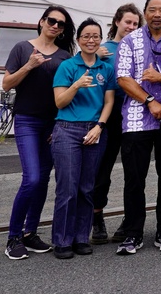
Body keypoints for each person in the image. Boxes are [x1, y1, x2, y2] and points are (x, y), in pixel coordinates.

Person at [115, 0, 161, 255]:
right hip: (136, 119)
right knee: (135, 178)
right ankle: (133, 233)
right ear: (145, 12)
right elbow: (123, 78)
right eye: (152, 9)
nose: (157, 14)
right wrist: (149, 101)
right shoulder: (130, 41)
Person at [3, 5, 75, 260]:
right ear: (42, 21)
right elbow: (7, 83)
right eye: (52, 20)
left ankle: (30, 233)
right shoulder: (23, 48)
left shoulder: (65, 57)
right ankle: (13, 237)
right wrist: (29, 66)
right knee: (31, 178)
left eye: (61, 24)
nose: (55, 26)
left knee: (43, 179)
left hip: (52, 123)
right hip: (27, 121)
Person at [50, 18, 116, 259]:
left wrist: (100, 126)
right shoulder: (68, 67)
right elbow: (60, 102)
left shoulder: (106, 69)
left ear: (101, 39)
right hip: (67, 129)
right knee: (67, 188)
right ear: (78, 40)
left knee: (87, 188)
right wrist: (76, 85)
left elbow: (109, 102)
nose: (91, 40)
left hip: (95, 130)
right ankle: (62, 240)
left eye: (95, 36)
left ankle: (81, 237)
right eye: (86, 36)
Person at [91, 3, 141, 245]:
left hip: (134, 116)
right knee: (102, 170)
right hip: (108, 118)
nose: (131, 27)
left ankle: (129, 221)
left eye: (135, 23)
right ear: (117, 22)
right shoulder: (104, 50)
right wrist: (93, 56)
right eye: (127, 22)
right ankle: (96, 217)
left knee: (134, 172)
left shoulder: (141, 48)